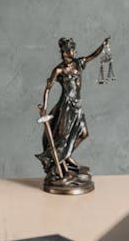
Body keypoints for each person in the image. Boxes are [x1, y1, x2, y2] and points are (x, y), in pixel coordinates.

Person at [36, 37, 109, 183]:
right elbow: (48, 88)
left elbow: (92, 56)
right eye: (66, 52)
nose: (68, 54)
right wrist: (43, 106)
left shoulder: (78, 63)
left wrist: (103, 46)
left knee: (84, 133)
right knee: (63, 139)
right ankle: (56, 160)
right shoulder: (59, 70)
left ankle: (66, 155)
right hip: (66, 108)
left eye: (70, 51)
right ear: (64, 52)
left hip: (77, 106)